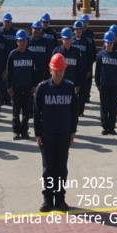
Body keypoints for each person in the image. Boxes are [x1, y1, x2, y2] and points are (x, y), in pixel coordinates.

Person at [34, 53, 79, 212]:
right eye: (56, 70)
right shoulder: (42, 89)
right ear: (50, 70)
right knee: (48, 169)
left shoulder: (70, 88)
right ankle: (48, 199)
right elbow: (36, 112)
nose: (58, 74)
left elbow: (74, 112)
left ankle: (60, 199)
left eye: (61, 70)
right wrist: (38, 134)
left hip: (64, 135)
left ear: (65, 70)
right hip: (47, 135)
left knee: (61, 168)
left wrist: (73, 131)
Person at [6, 30, 37, 140]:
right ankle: (16, 131)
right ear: (17, 42)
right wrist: (9, 87)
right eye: (20, 41)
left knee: (26, 112)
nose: (22, 43)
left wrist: (34, 86)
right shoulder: (12, 55)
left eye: (24, 41)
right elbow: (8, 73)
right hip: (16, 88)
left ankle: (24, 131)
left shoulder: (31, 55)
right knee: (15, 112)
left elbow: (34, 72)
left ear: (27, 41)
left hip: (28, 88)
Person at [94, 31, 117, 135]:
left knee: (113, 108)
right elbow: (97, 72)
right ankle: (105, 127)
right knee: (104, 107)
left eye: (111, 42)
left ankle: (111, 127)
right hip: (104, 86)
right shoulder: (100, 56)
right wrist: (98, 84)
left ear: (113, 43)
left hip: (115, 87)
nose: (109, 44)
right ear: (104, 42)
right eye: (107, 42)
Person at [52, 28, 84, 110]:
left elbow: (80, 69)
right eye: (65, 39)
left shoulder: (77, 52)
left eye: (69, 39)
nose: (67, 41)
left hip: (72, 83)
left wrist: (78, 84)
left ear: (72, 39)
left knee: (72, 106)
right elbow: (52, 68)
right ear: (62, 39)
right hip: (59, 83)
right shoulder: (57, 51)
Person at [72, 20, 95, 112]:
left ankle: (81, 110)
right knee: (73, 92)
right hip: (73, 71)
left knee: (82, 91)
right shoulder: (71, 41)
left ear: (82, 30)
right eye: (76, 29)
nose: (78, 31)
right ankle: (73, 109)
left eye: (80, 29)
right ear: (74, 30)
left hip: (83, 70)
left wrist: (89, 70)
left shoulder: (86, 42)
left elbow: (90, 56)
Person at [79, 14, 97, 105]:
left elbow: (93, 47)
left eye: (86, 22)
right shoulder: (79, 33)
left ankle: (87, 96)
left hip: (89, 59)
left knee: (88, 79)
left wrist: (93, 58)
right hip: (80, 61)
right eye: (83, 22)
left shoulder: (91, 33)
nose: (85, 24)